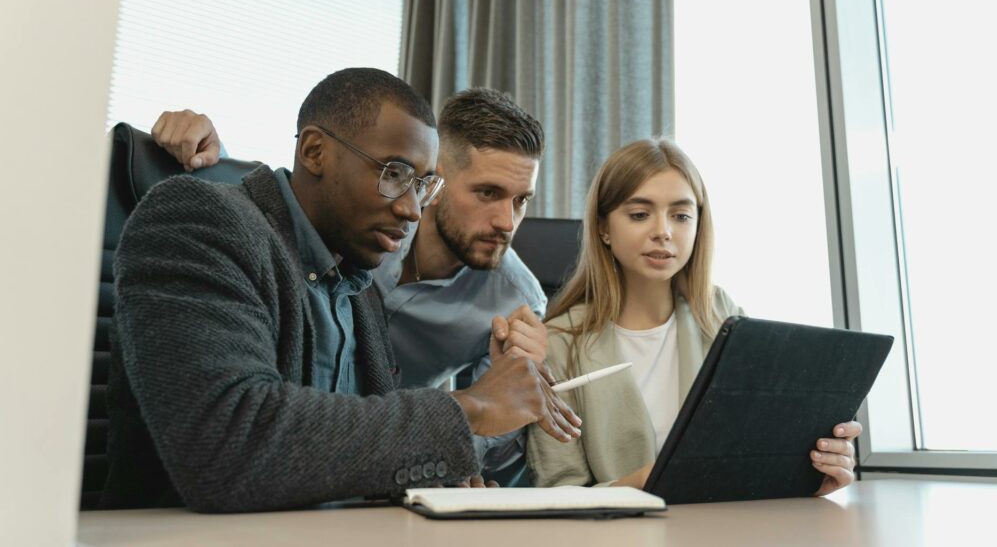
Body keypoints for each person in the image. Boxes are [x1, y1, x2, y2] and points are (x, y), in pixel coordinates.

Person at [102, 68, 580, 513]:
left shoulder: (355, 284)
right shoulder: (197, 219)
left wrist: (438, 484)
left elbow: (346, 441)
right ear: (314, 152)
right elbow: (229, 444)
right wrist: (470, 406)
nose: (414, 211)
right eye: (394, 174)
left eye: (421, 185)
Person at [526, 137, 860, 494]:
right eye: (639, 214)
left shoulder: (723, 318)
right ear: (603, 228)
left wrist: (810, 475)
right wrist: (644, 481)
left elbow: (751, 458)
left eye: (681, 216)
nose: (663, 232)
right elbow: (557, 493)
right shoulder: (559, 344)